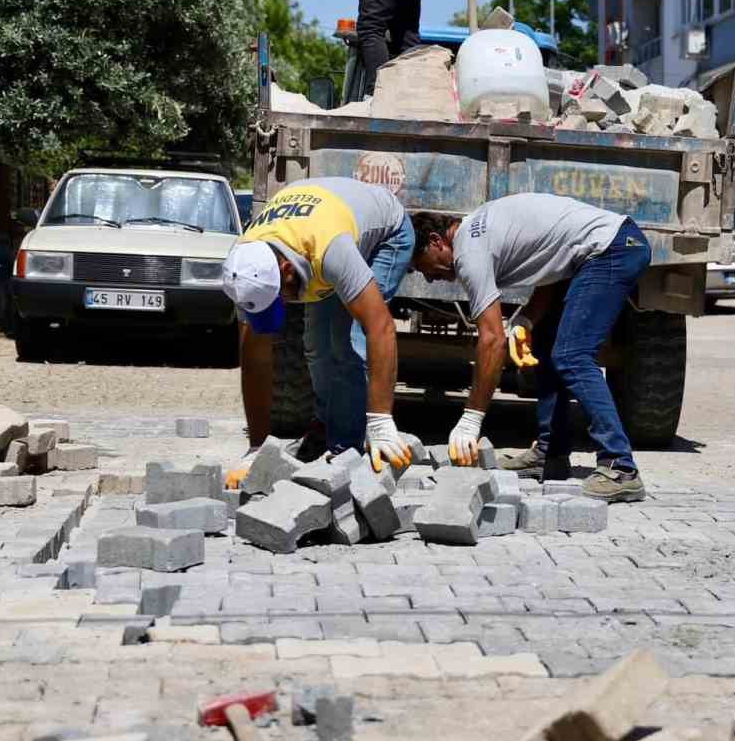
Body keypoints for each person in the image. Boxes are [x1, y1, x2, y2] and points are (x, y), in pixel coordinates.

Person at [410, 194, 653, 503]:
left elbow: (492, 339)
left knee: (572, 355)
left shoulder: (469, 253)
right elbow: (553, 263)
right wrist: (526, 319)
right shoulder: (477, 231)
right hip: (602, 249)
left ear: (436, 241)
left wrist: (471, 419)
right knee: (547, 345)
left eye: (423, 268)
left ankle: (621, 468)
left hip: (613, 249)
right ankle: (550, 454)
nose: (430, 279)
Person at [221, 177, 416, 472]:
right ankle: (326, 425)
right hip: (313, 232)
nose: (284, 305)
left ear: (286, 269)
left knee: (346, 339)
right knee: (316, 345)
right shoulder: (244, 266)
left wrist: (381, 419)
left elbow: (381, 327)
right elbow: (256, 361)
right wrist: (256, 448)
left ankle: (347, 450)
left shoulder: (328, 249)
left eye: (280, 297)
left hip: (386, 235)